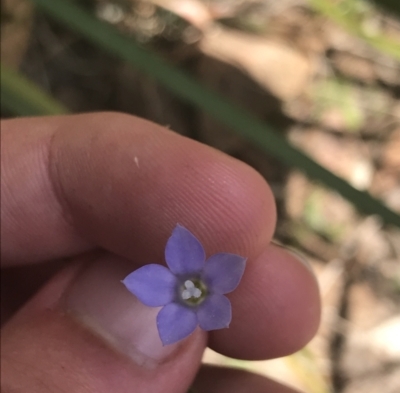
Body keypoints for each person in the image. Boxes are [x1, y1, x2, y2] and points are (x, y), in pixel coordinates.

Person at [1, 112, 320, 393]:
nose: (192, 289)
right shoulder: (185, 273)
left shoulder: (216, 302)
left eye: (196, 291)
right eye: (195, 290)